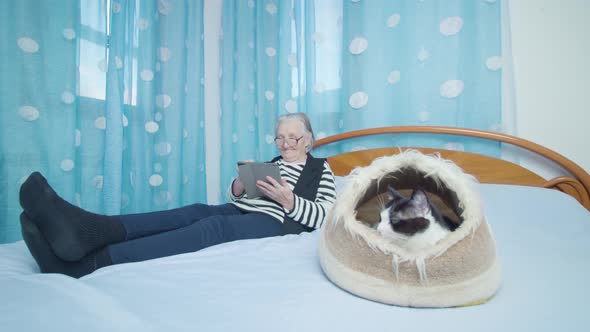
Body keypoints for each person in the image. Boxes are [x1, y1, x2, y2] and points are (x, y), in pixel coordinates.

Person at [18, 112, 336, 278]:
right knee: (192, 212)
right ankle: (94, 231)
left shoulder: (320, 169)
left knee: (213, 228)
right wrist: (239, 186)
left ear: (308, 139)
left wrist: (289, 200)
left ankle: (87, 264)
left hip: (278, 221)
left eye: (293, 137)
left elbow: (324, 215)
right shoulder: (272, 164)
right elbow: (241, 201)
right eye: (280, 137)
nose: (285, 142)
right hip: (246, 210)